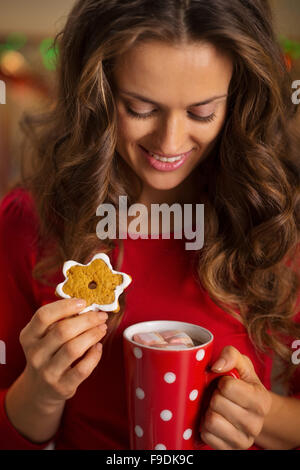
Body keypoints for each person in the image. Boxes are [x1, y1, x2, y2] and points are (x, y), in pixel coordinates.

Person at [0, 0, 300, 450]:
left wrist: (261, 415)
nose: (170, 142)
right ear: (98, 93)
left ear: (238, 99)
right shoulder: (28, 220)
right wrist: (42, 392)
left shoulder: (271, 217)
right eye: (140, 108)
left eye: (202, 112)